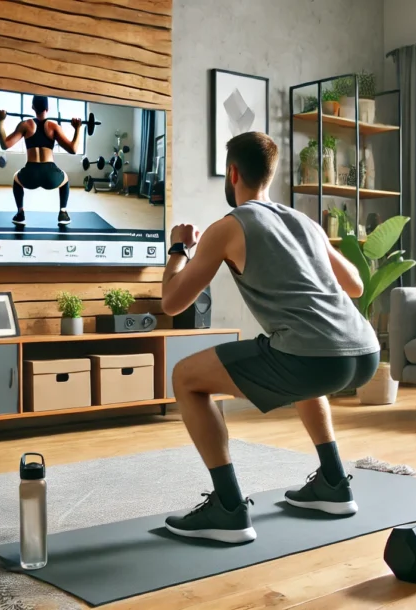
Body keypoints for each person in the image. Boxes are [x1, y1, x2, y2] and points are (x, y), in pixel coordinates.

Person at [159, 131, 380, 544]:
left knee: (186, 377)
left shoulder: (227, 228)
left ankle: (227, 509)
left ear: (233, 173)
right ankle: (333, 483)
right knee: (303, 364)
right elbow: (355, 287)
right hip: (364, 350)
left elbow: (172, 303)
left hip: (312, 356)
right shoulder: (304, 221)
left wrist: (177, 249)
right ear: (272, 174)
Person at [0, 95, 83, 226]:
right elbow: (73, 149)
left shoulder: (25, 125)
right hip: (50, 176)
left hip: (30, 174)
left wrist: (0, 121)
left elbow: (5, 144)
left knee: (16, 178)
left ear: (32, 107)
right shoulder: (54, 126)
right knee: (65, 178)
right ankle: (63, 213)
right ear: (47, 108)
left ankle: (20, 213)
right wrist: (78, 129)